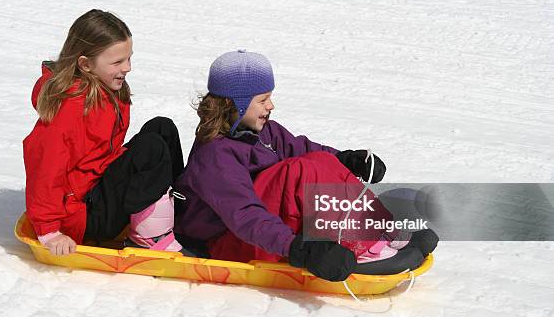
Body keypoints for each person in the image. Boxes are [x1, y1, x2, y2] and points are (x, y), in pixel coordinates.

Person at [174, 50, 438, 281]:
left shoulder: (265, 132)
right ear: (236, 104)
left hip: (259, 233)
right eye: (263, 99)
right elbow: (246, 216)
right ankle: (363, 246)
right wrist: (298, 248)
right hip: (230, 241)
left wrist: (346, 160)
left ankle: (379, 229)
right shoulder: (214, 157)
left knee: (319, 161)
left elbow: (305, 149)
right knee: (296, 171)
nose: (271, 106)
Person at [23, 9, 185, 256]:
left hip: (96, 188)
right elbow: (44, 166)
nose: (127, 68)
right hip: (82, 214)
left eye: (129, 58)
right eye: (118, 62)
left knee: (162, 128)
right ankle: (151, 236)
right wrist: (49, 230)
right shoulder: (69, 108)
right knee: (150, 148)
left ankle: (174, 216)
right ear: (86, 64)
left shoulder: (107, 87)